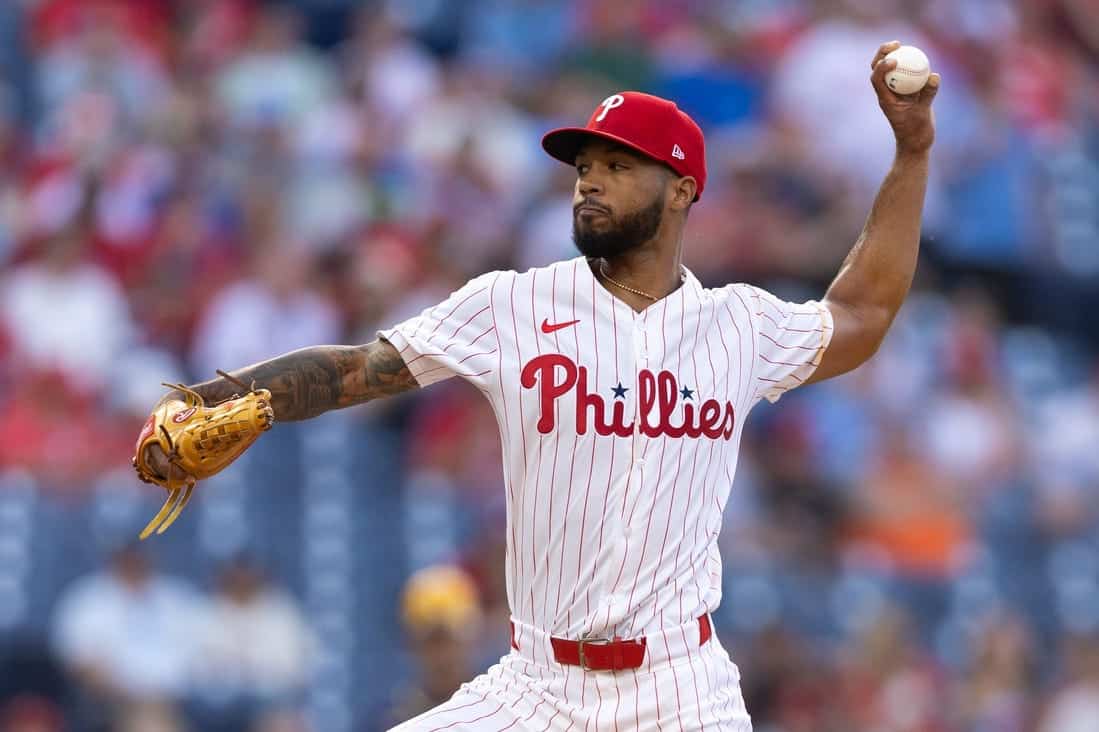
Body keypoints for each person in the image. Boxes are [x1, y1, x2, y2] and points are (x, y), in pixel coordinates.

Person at [139, 41, 939, 730]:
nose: (588, 182)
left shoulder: (739, 326)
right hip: (535, 686)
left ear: (682, 189)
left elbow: (861, 312)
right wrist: (210, 401)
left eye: (617, 166)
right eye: (583, 166)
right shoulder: (511, 304)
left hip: (680, 687)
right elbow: (356, 368)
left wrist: (909, 155)